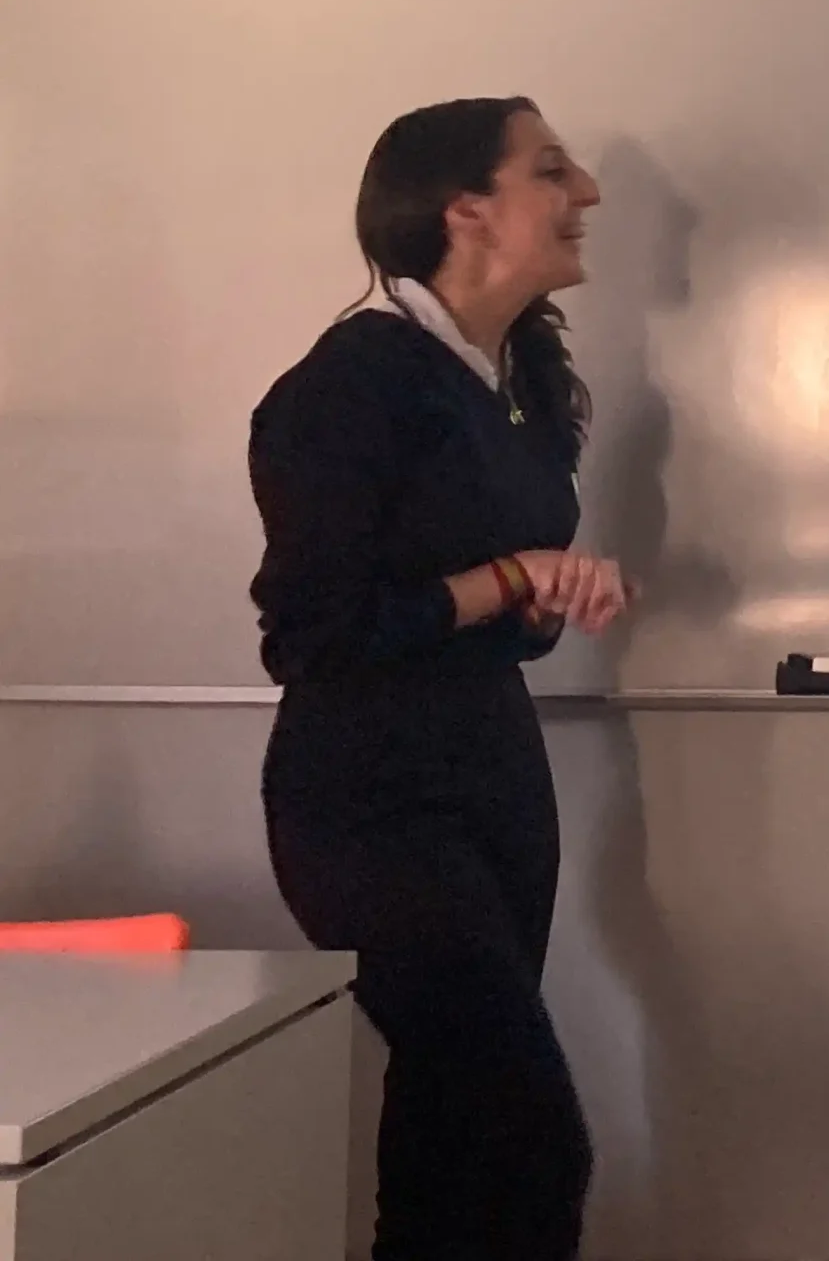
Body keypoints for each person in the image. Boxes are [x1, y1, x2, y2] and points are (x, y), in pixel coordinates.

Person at [249, 97, 631, 1261]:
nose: (586, 193)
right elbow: (313, 638)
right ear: (466, 210)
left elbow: (493, 627)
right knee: (529, 1139)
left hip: (492, 782)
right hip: (370, 800)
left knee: (452, 1139)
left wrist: (538, 601)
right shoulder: (348, 385)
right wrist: (511, 576)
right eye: (550, 170)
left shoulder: (518, 385)